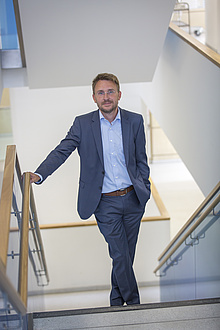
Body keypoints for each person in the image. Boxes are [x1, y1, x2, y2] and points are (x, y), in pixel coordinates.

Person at [30, 73, 151, 306]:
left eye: (110, 91)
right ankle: (134, 305)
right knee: (119, 253)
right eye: (101, 93)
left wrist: (144, 186)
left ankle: (116, 301)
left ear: (119, 94)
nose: (106, 97)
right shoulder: (83, 124)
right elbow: (61, 151)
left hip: (134, 199)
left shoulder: (134, 121)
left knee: (126, 255)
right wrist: (40, 173)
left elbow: (141, 159)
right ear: (94, 98)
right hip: (105, 203)